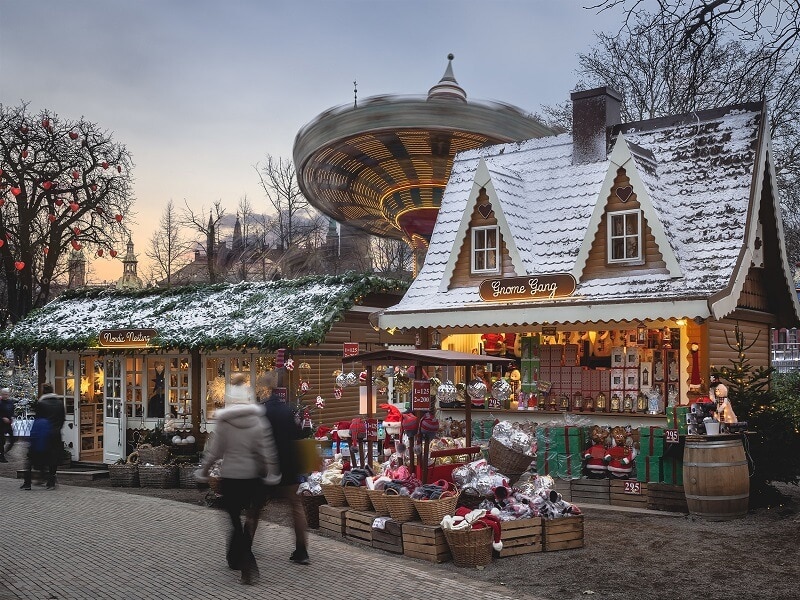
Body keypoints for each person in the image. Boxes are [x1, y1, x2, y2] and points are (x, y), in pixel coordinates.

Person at [194, 373, 281, 586]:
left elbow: (215, 452)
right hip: (252, 478)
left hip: (231, 478)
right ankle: (243, 559)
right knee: (249, 521)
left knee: (233, 521)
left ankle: (245, 561)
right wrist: (272, 473)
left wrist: (203, 472)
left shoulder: (225, 423)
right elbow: (267, 451)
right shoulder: (259, 421)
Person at [250, 389, 310, 565]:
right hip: (289, 467)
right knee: (296, 507)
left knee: (254, 509)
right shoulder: (288, 412)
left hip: (266, 468)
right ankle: (302, 550)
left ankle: (246, 547)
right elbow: (298, 437)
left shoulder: (262, 412)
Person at [21, 383, 65, 490]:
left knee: (32, 457)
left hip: (43, 434)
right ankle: (51, 482)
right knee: (53, 458)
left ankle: (28, 482)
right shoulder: (60, 403)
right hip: (55, 434)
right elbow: (62, 418)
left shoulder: (41, 404)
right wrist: (57, 428)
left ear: (43, 391)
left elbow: (38, 420)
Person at [0, 387, 15, 462]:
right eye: (4, 394)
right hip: (1, 424)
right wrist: (2, 418)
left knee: (13, 439)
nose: (5, 396)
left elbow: (12, 410)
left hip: (8, 424)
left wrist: (12, 417)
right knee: (1, 441)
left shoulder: (10, 402)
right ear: (1, 394)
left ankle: (6, 451)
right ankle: (2, 456)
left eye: (6, 394)